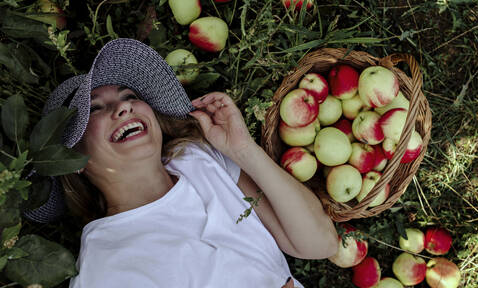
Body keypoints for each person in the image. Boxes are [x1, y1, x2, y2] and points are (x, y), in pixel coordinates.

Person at [29, 38, 338, 287]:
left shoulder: (198, 159)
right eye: (95, 110)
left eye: (129, 95)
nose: (123, 108)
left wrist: (243, 150)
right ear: (73, 160)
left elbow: (319, 243)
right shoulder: (106, 265)